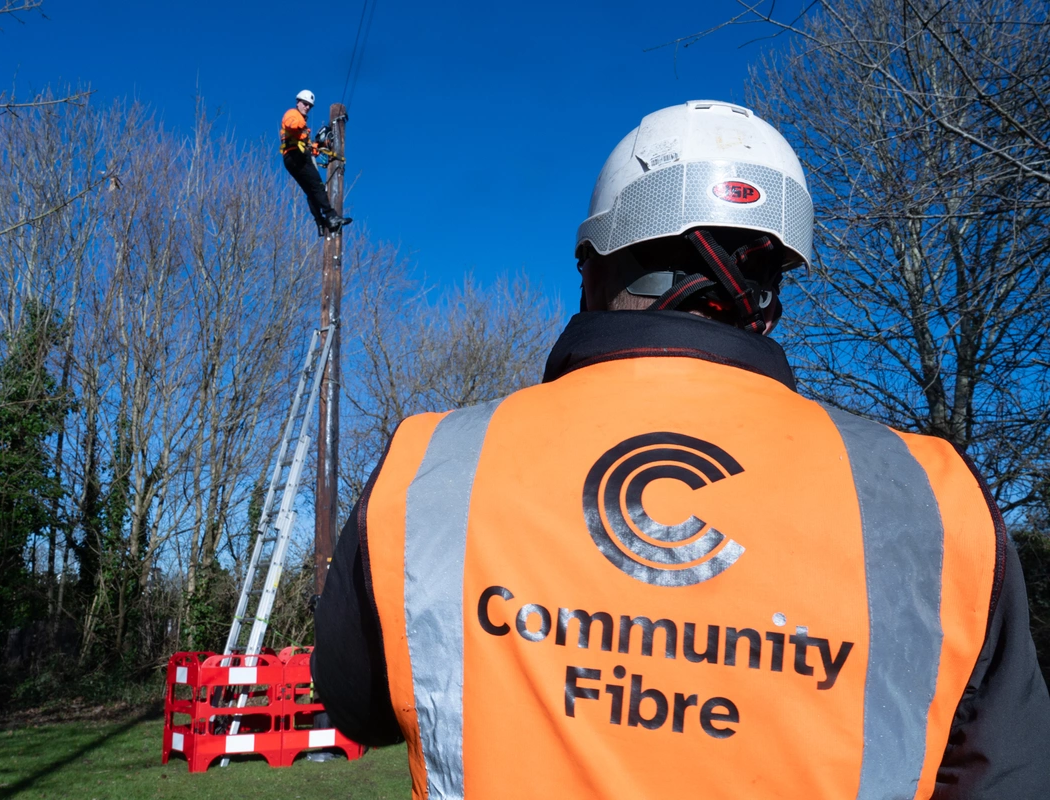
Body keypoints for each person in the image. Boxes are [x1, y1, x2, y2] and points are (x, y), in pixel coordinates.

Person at [312, 100, 1050, 798]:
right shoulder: (933, 497)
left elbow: (356, 702)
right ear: (769, 292)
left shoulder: (434, 463)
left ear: (594, 267)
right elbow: (1006, 774)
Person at [281, 89, 350, 234]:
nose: (307, 107)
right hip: (296, 156)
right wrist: (302, 128)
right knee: (318, 186)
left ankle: (320, 222)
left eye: (309, 106)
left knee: (311, 191)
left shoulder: (302, 126)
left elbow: (306, 145)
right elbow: (290, 124)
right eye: (305, 104)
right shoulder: (293, 115)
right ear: (298, 102)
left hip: (292, 158)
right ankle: (331, 216)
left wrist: (318, 146)